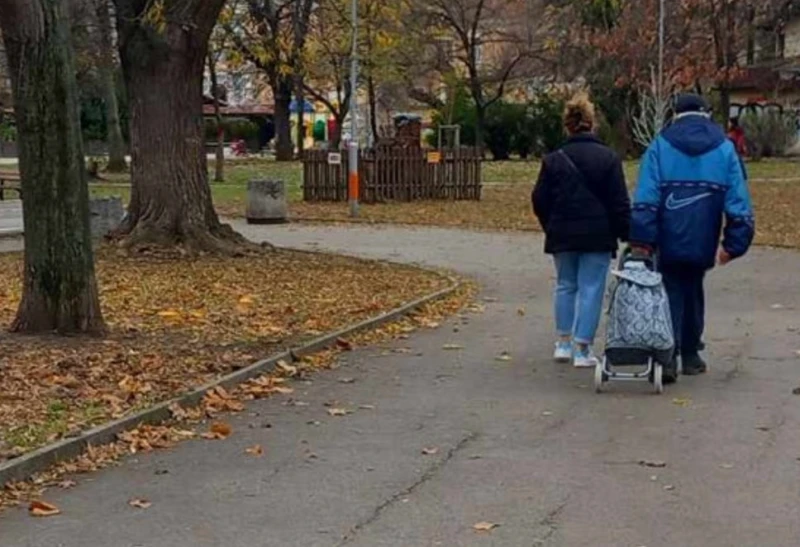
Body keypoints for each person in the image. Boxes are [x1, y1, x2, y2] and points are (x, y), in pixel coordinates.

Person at [630, 94, 755, 384]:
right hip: (704, 234)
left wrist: (642, 237)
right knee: (693, 284)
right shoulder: (725, 149)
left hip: (668, 233)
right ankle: (690, 353)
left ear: (676, 114)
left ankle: (668, 353)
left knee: (670, 287)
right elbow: (739, 201)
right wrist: (733, 243)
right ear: (705, 114)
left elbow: (646, 196)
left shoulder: (660, 146)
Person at [533, 94, 631, 368]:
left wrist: (550, 225)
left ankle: (562, 343)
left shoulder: (553, 160)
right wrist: (626, 232)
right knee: (591, 289)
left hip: (563, 233)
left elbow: (539, 198)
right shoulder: (608, 158)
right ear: (592, 124)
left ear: (568, 125)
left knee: (565, 285)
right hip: (598, 235)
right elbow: (619, 202)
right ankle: (582, 348)